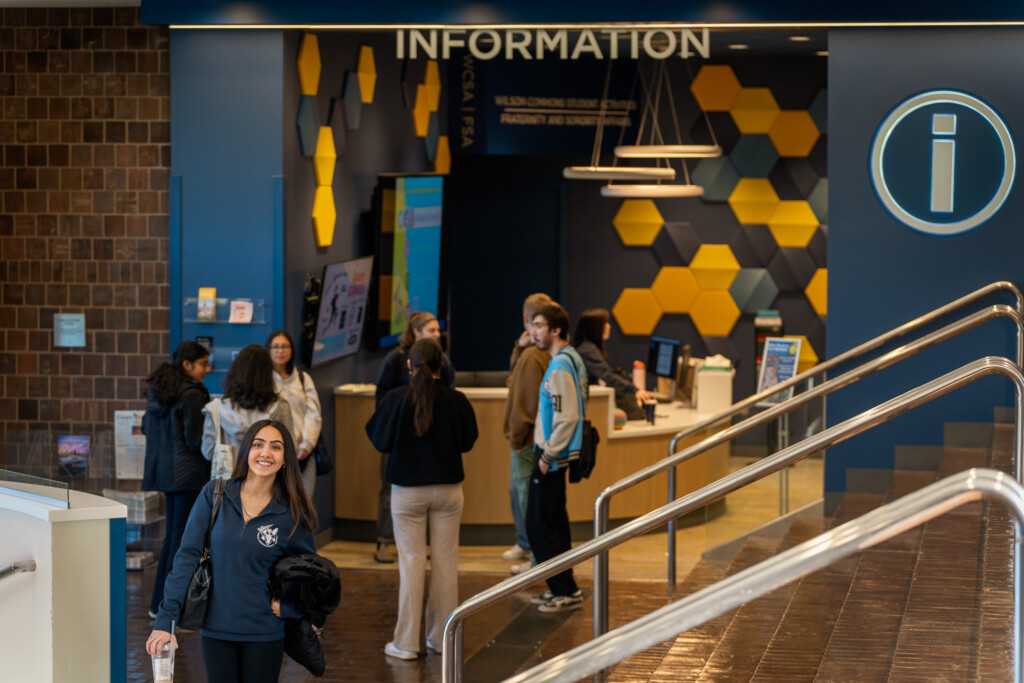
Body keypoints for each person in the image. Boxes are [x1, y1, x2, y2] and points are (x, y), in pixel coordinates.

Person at [146, 419, 318, 683]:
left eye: (276, 447)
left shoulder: (292, 514)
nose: (265, 453)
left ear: (285, 460)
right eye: (258, 445)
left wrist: (291, 607)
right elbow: (186, 558)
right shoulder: (214, 495)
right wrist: (165, 620)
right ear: (246, 450)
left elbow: (314, 575)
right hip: (216, 631)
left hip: (264, 634)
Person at [365, 339, 478, 660]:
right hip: (449, 490)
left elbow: (378, 438)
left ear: (409, 365)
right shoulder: (456, 399)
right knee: (446, 564)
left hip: (407, 492)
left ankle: (406, 644)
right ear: (442, 366)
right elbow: (468, 442)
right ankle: (443, 640)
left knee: (411, 564)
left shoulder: (396, 399)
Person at [372, 311, 456, 563]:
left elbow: (449, 388)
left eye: (437, 330)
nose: (436, 334)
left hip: (431, 440)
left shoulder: (441, 359)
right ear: (416, 332)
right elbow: (381, 396)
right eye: (431, 330)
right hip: (400, 440)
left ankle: (426, 544)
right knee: (390, 489)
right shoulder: (396, 359)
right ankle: (385, 542)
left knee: (427, 494)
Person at [141, 340, 212, 620]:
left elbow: (147, 428)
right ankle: (168, 607)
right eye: (204, 364)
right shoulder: (192, 395)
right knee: (182, 541)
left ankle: (159, 602)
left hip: (166, 475)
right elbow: (196, 440)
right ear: (187, 365)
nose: (207, 369)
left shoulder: (160, 393)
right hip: (189, 475)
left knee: (173, 539)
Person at [526, 302, 588, 612]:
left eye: (538, 326)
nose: (532, 332)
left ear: (556, 331)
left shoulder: (561, 366)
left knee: (538, 524)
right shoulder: (569, 359)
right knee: (553, 523)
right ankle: (564, 588)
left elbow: (568, 417)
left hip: (551, 455)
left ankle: (564, 589)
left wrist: (547, 454)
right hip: (554, 454)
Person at [500, 293, 552, 574]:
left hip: (527, 441)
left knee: (526, 497)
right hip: (531, 439)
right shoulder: (531, 352)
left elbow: (525, 400)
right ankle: (529, 547)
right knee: (520, 494)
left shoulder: (533, 357)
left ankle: (535, 557)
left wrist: (517, 437)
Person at [203, 345, 293, 465]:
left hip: (228, 480)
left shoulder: (215, 408)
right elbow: (290, 451)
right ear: (268, 373)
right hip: (267, 479)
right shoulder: (280, 407)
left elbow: (208, 452)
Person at [266, 330, 322, 497]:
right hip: (274, 452)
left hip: (302, 452)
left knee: (304, 503)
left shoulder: (303, 378)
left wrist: (306, 445)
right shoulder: (264, 380)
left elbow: (314, 413)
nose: (280, 351)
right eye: (275, 347)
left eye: (284, 346)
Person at [573, 308, 652, 417]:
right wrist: (634, 390)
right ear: (595, 327)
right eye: (605, 323)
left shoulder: (587, 348)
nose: (609, 326)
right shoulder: (587, 350)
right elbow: (607, 374)